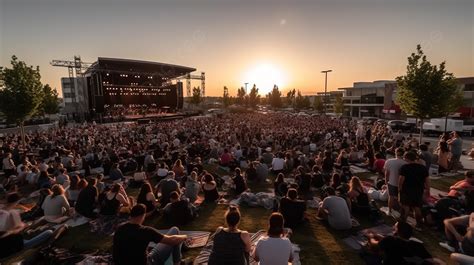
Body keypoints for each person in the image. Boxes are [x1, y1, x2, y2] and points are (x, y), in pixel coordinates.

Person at [113, 204, 187, 265]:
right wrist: (185, 236)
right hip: (148, 262)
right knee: (175, 230)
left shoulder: (119, 228)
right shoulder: (146, 231)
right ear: (142, 216)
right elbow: (171, 240)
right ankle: (178, 262)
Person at [0, 193, 55, 258]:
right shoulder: (12, 213)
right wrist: (23, 226)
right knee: (49, 232)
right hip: (16, 247)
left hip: (6, 248)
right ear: (17, 201)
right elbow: (17, 229)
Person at [366, 221, 433, 265]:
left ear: (397, 232)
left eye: (394, 227)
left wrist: (371, 237)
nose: (392, 227)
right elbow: (430, 259)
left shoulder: (390, 240)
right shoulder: (418, 245)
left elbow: (375, 244)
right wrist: (376, 234)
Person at [398, 151, 430, 228]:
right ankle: (418, 224)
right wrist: (428, 190)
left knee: (406, 207)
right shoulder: (423, 168)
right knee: (417, 207)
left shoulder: (404, 167)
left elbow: (401, 180)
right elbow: (427, 181)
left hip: (407, 190)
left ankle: (403, 223)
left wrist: (399, 190)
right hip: (419, 190)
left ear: (407, 158)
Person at [383, 147, 406, 215]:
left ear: (395, 153)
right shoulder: (405, 163)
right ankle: (402, 213)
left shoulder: (389, 161)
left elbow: (387, 173)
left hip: (392, 182)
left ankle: (389, 211)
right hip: (402, 183)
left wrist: (386, 180)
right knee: (401, 199)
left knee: (391, 197)